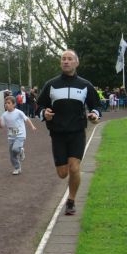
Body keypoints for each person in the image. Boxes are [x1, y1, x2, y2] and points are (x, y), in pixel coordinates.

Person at [36, 50, 101, 215]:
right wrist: (44, 113)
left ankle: (71, 201)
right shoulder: (51, 84)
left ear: (76, 63)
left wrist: (94, 114)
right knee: (62, 173)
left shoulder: (85, 85)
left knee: (74, 167)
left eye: (69, 59)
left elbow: (97, 106)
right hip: (57, 133)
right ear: (60, 63)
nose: (66, 61)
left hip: (77, 132)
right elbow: (39, 106)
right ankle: (69, 194)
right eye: (63, 59)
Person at [0, 95, 36, 175]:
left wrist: (32, 126)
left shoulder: (18, 112)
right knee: (12, 156)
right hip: (11, 137)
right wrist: (0, 124)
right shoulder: (4, 115)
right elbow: (2, 126)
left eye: (8, 103)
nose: (6, 104)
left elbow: (27, 119)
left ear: (14, 104)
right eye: (5, 103)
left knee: (15, 149)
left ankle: (21, 150)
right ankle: (17, 168)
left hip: (20, 135)